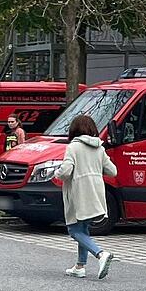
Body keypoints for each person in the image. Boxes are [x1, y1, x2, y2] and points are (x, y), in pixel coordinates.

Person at [53, 115, 117, 280]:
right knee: (83, 228)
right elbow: (112, 171)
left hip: (78, 192)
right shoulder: (100, 148)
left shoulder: (73, 147)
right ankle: (80, 266)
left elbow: (66, 171)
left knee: (74, 230)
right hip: (95, 192)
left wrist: (56, 173)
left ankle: (100, 254)